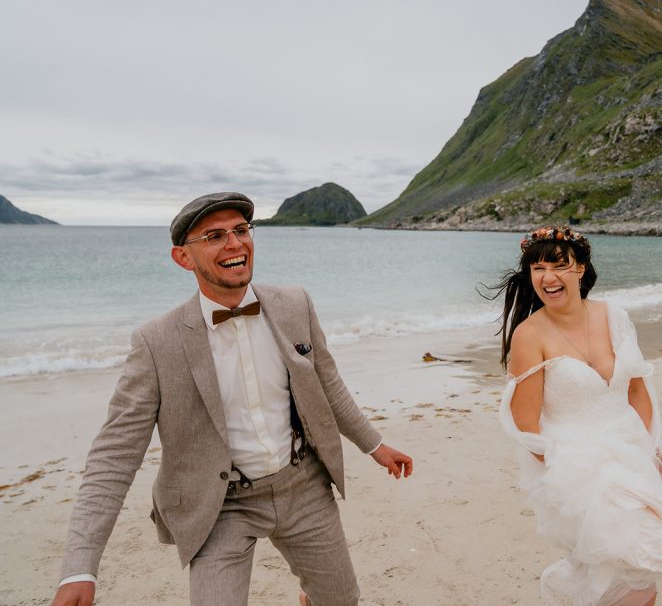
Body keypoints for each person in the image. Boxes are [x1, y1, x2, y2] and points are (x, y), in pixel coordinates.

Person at [51, 192, 413, 606]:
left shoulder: (296, 304)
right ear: (183, 258)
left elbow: (328, 384)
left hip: (303, 483)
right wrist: (80, 566)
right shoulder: (156, 343)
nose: (235, 243)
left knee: (341, 600)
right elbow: (114, 455)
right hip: (220, 505)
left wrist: (374, 444)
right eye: (214, 236)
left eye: (241, 230)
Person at [493, 226, 662, 606]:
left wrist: (651, 448)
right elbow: (525, 423)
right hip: (574, 466)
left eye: (558, 266)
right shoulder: (529, 335)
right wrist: (564, 476)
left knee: (645, 558)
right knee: (615, 564)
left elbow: (638, 391)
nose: (547, 277)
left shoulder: (614, 315)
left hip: (632, 452)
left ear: (580, 269)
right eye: (538, 267)